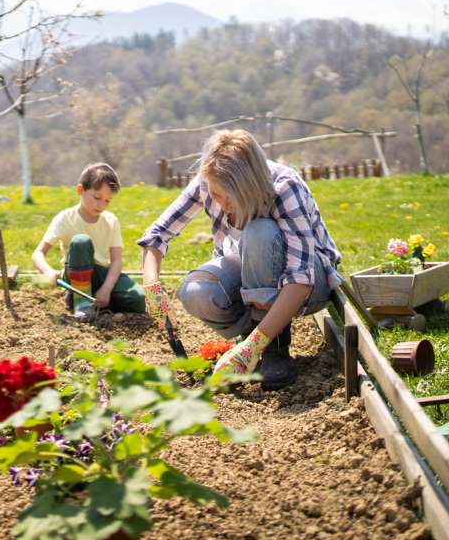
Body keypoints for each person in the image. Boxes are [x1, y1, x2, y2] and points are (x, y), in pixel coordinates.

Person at [138, 130, 342, 389]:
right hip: (252, 273)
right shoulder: (209, 182)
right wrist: (151, 287)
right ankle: (253, 336)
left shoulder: (284, 187)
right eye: (215, 194)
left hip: (311, 282)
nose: (219, 203)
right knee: (195, 292)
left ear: (246, 187)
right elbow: (157, 234)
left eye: (227, 197)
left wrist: (252, 347)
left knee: (260, 232)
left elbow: (300, 279)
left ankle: (272, 348)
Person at [32, 163, 146, 321]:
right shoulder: (65, 218)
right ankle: (82, 302)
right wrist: (48, 271)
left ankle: (87, 298)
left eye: (107, 201)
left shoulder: (111, 221)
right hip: (75, 272)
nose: (101, 205)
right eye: (97, 198)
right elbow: (38, 253)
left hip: (101, 273)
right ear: (80, 190)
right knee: (81, 241)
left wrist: (106, 288)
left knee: (139, 300)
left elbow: (117, 260)